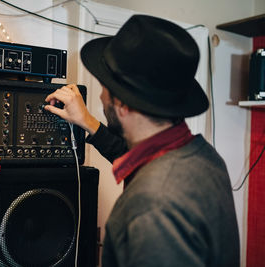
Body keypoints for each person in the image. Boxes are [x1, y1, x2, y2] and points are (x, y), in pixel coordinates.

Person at [44, 15, 240, 267]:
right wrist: (88, 123)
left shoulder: (152, 204)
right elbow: (142, 159)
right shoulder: (205, 157)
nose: (102, 97)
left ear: (123, 105)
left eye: (104, 87)